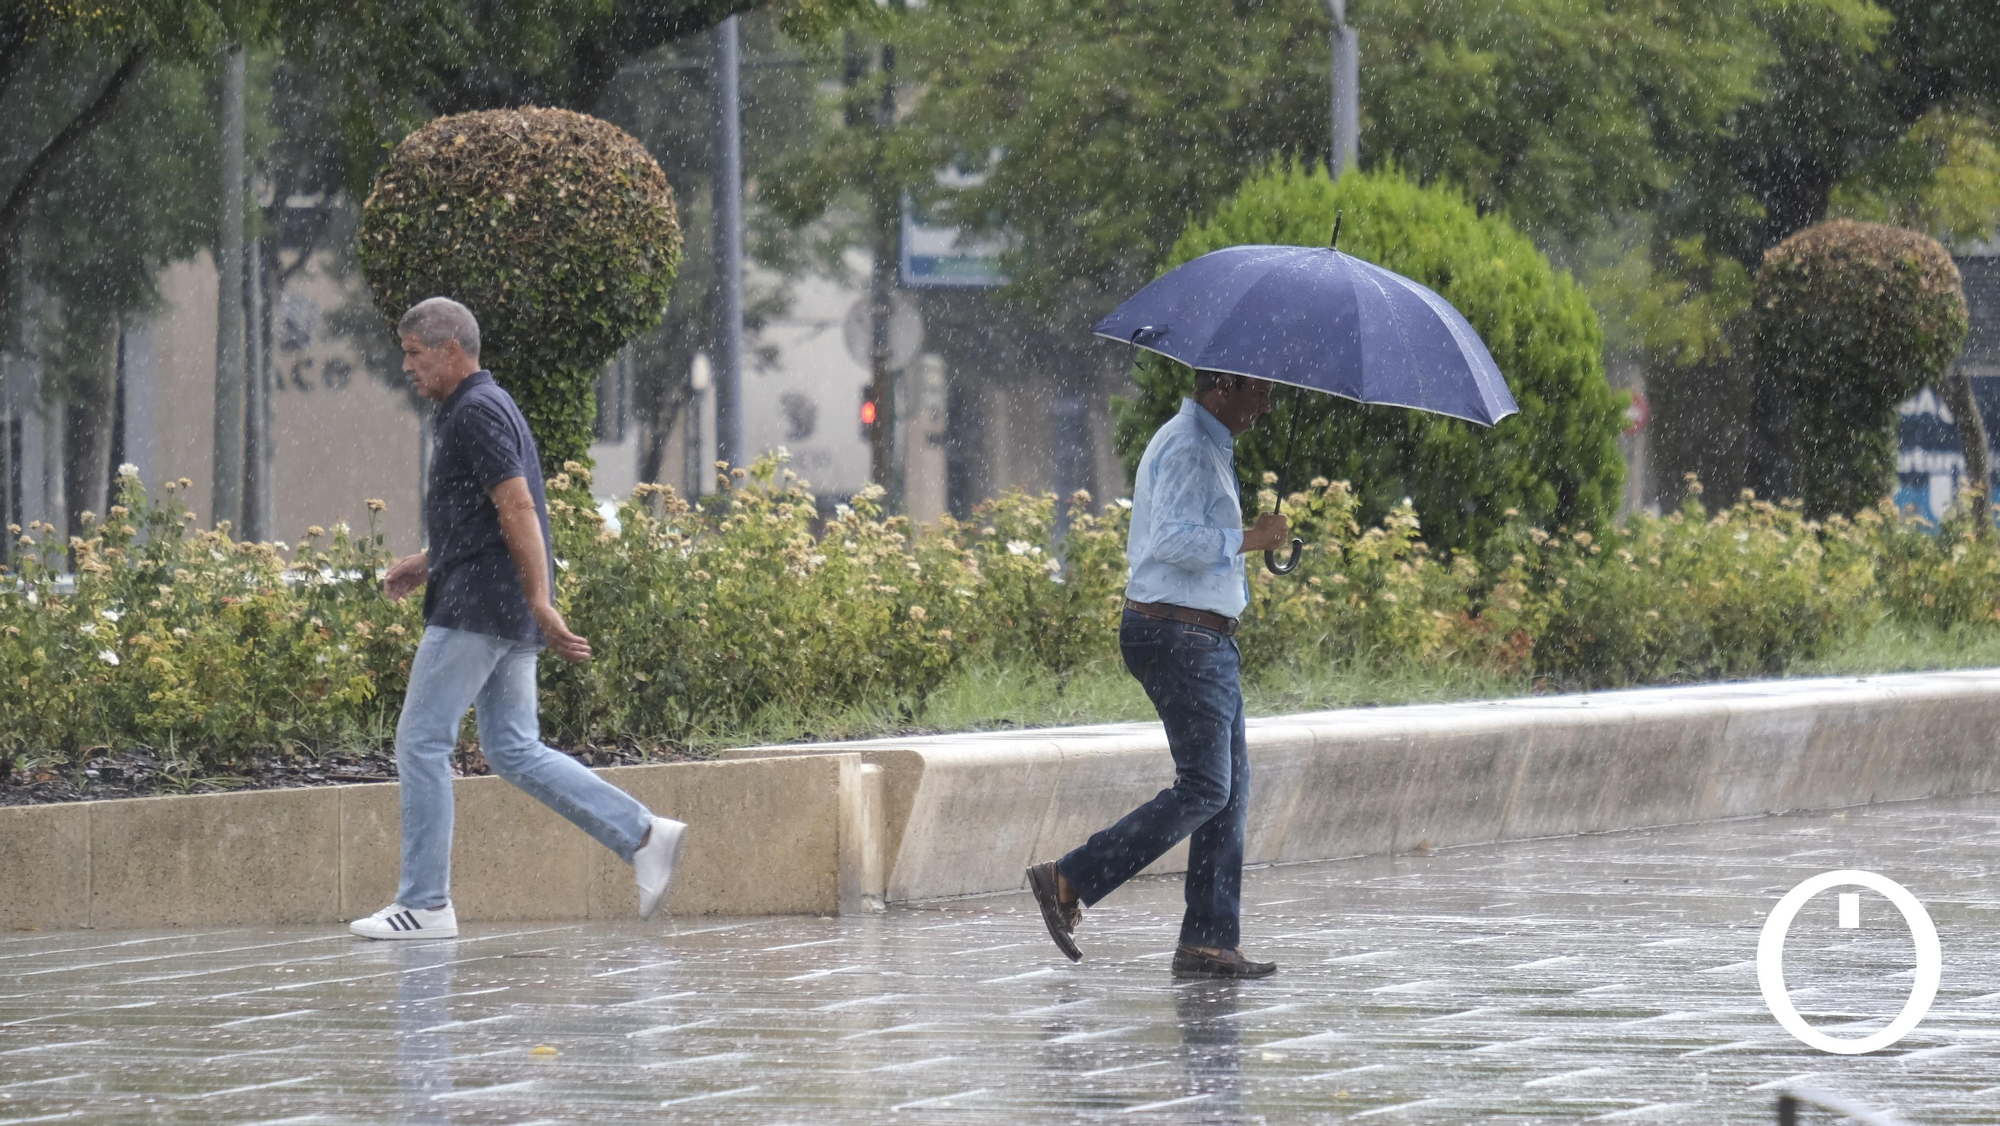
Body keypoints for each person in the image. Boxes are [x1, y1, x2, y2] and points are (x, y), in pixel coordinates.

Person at [349, 297, 686, 940]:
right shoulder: (484, 405)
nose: (406, 366)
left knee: (421, 742)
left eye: (415, 353)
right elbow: (487, 516)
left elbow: (519, 507)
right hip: (493, 599)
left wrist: (541, 600)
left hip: (479, 607)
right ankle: (643, 835)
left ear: (452, 350)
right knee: (512, 748)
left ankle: (424, 903)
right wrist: (429, 561)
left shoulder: (474, 412)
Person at [1026, 370, 1288, 979]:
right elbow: (1171, 539)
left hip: (1198, 635)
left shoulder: (1206, 443)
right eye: (1259, 393)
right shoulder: (1192, 445)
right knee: (1205, 788)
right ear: (1223, 385)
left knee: (1229, 789)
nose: (1267, 407)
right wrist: (1254, 538)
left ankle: (1209, 939)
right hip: (1182, 635)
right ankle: (1069, 879)